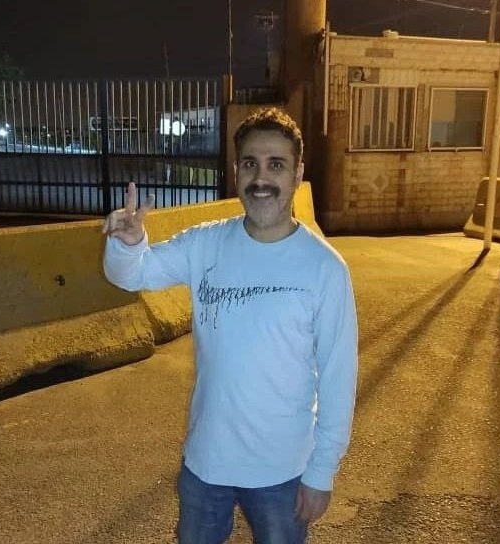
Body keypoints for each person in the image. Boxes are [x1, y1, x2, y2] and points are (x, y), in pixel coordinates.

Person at [102, 107, 358, 543]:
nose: (261, 178)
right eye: (250, 164)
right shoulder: (206, 243)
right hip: (206, 465)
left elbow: (339, 378)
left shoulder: (325, 269)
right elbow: (132, 274)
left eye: (276, 165)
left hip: (283, 471)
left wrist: (321, 472)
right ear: (236, 171)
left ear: (297, 174)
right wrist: (128, 244)